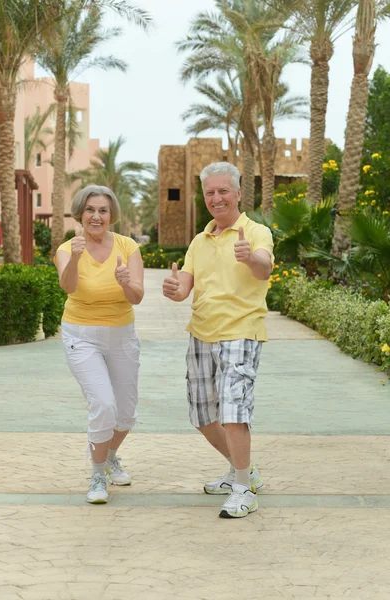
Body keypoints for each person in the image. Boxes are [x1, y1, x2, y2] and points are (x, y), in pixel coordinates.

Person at [163, 162, 273, 519]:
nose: (216, 198)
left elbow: (265, 267)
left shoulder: (255, 232)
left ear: (239, 193)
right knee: (202, 415)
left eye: (223, 190)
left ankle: (243, 489)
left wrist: (251, 257)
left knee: (233, 411)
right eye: (210, 192)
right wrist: (174, 289)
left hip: (242, 330)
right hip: (201, 333)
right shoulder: (199, 240)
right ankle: (243, 470)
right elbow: (185, 288)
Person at [55, 185, 144, 504]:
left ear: (111, 215)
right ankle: (96, 475)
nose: (96, 216)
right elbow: (68, 287)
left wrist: (125, 283)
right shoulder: (68, 249)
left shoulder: (128, 246)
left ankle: (109, 456)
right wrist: (76, 257)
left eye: (103, 210)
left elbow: (137, 296)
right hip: (81, 335)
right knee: (103, 404)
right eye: (90, 210)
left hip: (121, 333)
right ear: (80, 213)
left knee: (125, 414)